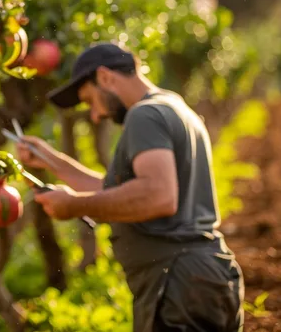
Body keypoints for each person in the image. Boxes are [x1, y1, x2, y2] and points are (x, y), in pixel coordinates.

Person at [16, 42, 244, 332]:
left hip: (177, 282)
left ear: (105, 77)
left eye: (90, 101)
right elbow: (123, 190)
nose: (96, 116)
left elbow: (158, 196)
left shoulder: (144, 115)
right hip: (197, 278)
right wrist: (52, 161)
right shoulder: (171, 105)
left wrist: (75, 205)